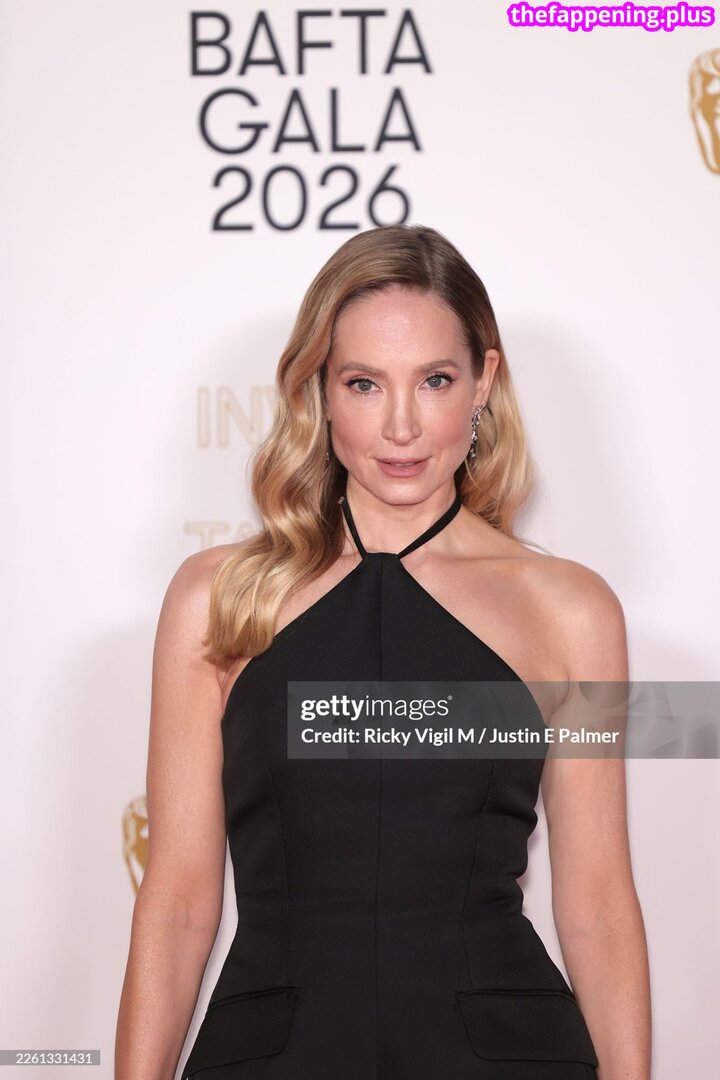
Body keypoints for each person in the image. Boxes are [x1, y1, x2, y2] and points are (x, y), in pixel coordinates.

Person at [115, 225, 651, 1079]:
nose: (401, 426)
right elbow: (177, 901)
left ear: (484, 381)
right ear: (320, 391)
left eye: (435, 380)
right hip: (273, 1055)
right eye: (364, 383)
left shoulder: (571, 612)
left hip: (502, 1057)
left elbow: (596, 905)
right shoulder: (217, 597)